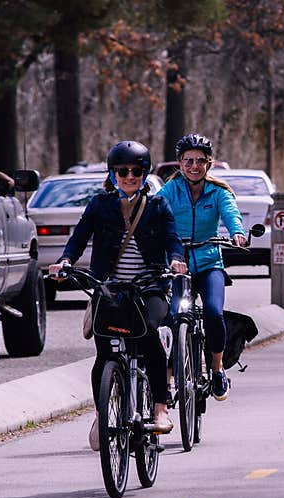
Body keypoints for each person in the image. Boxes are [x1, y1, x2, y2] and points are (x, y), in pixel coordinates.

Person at [49, 141, 187, 450]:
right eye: (122, 171)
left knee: (149, 333)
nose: (129, 177)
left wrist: (176, 260)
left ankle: (160, 408)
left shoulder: (157, 206)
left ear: (144, 174)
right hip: (109, 289)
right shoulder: (100, 205)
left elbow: (173, 239)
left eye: (136, 172)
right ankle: (103, 411)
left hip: (149, 286)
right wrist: (66, 262)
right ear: (112, 174)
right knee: (105, 354)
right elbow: (79, 238)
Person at [156, 133, 247, 401]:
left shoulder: (219, 192)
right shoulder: (170, 191)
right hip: (177, 265)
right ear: (179, 163)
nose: (194, 166)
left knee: (213, 313)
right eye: (188, 161)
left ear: (209, 163)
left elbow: (231, 215)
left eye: (199, 161)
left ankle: (217, 370)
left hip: (209, 263)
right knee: (172, 316)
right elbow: (154, 213)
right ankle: (169, 379)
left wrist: (237, 233)